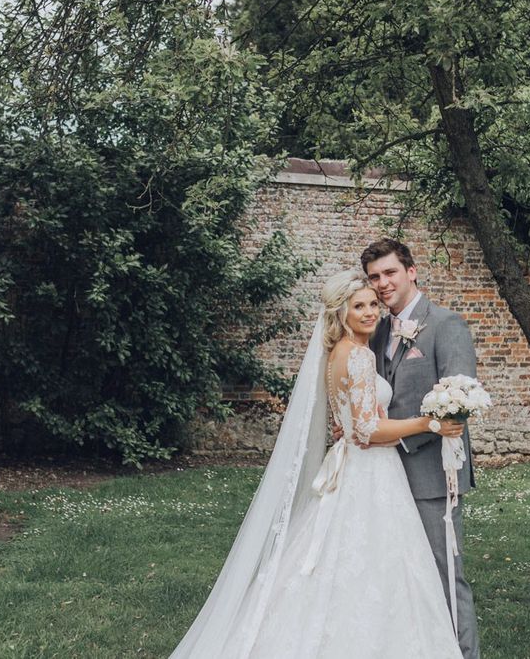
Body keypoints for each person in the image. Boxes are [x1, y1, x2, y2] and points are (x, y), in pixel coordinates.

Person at [169, 270, 462, 658]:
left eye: (374, 304)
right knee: (377, 564)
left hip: (353, 466)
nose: (370, 312)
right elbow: (366, 430)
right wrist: (429, 423)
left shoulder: (338, 352)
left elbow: (348, 425)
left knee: (336, 560)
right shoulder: (357, 355)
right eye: (359, 306)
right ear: (341, 312)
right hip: (370, 471)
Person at [361, 237, 481, 659]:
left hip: (432, 474)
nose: (382, 283)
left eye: (390, 272)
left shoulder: (446, 325)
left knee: (445, 573)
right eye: (374, 277)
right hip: (382, 475)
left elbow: (457, 406)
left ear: (411, 271)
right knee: (399, 572)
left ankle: (463, 654)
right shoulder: (375, 331)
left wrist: (395, 435)